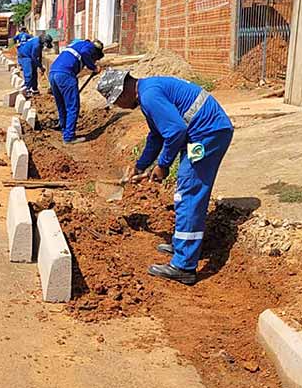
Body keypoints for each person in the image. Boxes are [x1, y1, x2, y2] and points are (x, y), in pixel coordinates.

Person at [98, 69, 235, 285]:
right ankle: (185, 246)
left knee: (188, 193)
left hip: (207, 135)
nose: (118, 106)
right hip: (203, 132)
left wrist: (162, 166)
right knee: (188, 191)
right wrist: (140, 165)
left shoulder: (150, 96)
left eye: (116, 102)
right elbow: (156, 135)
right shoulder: (147, 92)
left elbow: (175, 131)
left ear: (122, 92)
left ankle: (184, 266)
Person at [48, 39, 105, 145]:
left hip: (53, 73)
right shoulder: (89, 47)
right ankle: (69, 137)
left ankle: (64, 128)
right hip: (65, 75)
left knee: (62, 105)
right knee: (72, 107)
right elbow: (85, 53)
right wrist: (93, 67)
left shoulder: (77, 43)